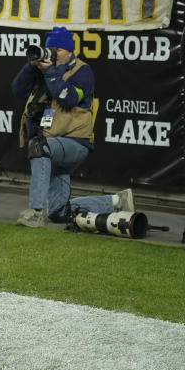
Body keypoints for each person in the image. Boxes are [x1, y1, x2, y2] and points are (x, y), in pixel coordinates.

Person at [11, 26, 134, 227]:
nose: (53, 54)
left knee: (39, 147)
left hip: (75, 143)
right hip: (54, 140)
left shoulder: (82, 71)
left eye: (58, 50)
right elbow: (17, 90)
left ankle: (36, 212)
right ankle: (115, 202)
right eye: (51, 49)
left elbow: (67, 99)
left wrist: (50, 72)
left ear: (69, 51)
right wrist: (31, 65)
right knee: (59, 212)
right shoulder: (43, 70)